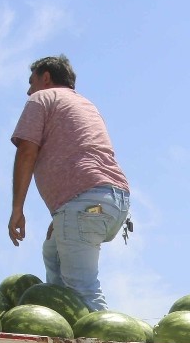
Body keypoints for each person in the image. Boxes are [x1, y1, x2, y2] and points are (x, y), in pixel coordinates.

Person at [8, 55, 131, 311]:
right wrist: (63, 215)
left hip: (86, 201)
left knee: (82, 289)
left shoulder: (42, 98)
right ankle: (61, 323)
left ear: (46, 77)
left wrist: (17, 208)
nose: (28, 90)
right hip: (110, 201)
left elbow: (27, 151)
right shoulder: (86, 105)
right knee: (53, 255)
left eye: (31, 82)